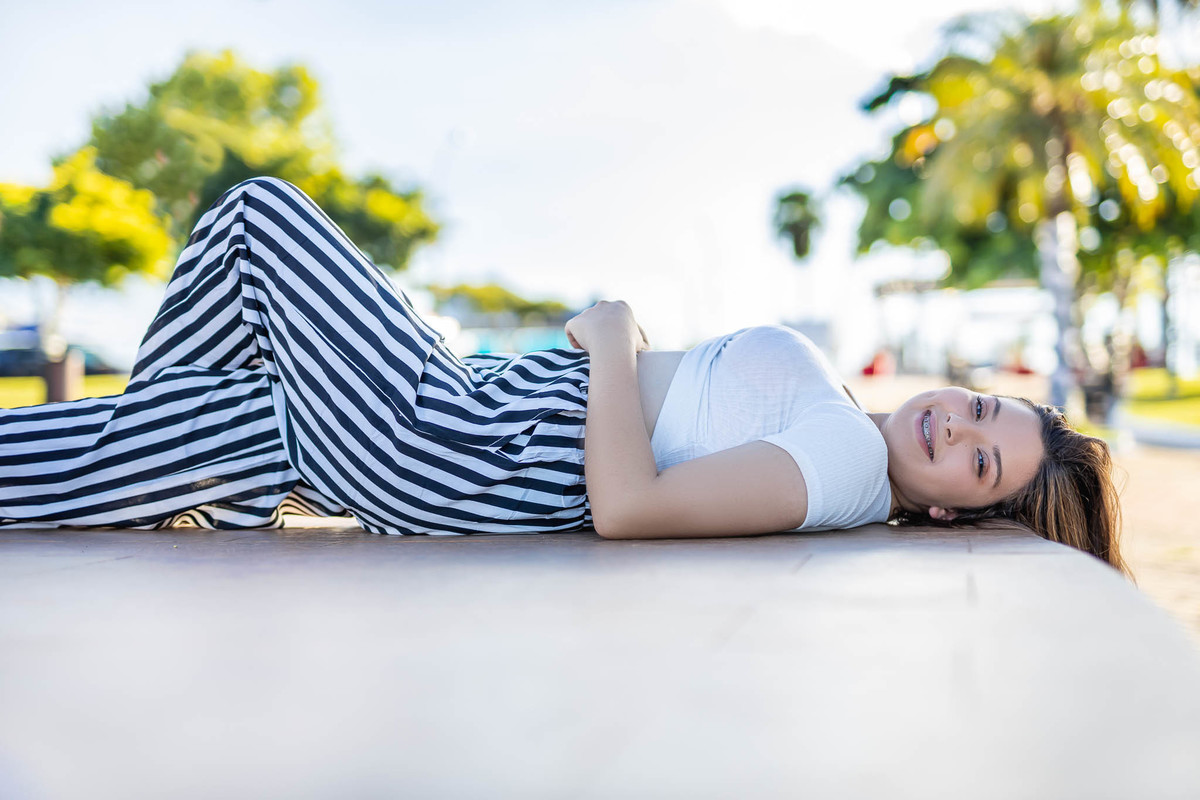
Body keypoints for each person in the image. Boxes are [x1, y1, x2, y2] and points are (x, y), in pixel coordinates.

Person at [0, 178, 1127, 578]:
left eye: (981, 464)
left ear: (951, 511)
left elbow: (628, 507)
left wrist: (620, 336)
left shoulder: (843, 464)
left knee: (259, 217)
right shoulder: (840, 435)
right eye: (983, 411)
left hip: (467, 442)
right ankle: (201, 479)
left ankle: (205, 487)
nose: (956, 428)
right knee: (219, 425)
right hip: (472, 422)